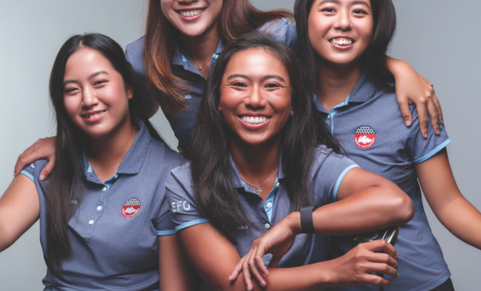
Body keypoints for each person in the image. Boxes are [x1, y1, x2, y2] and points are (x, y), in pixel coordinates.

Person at [13, 0, 442, 179]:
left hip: (289, 193)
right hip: (209, 200)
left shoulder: (279, 37)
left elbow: (337, 56)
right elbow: (118, 119)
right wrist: (69, 140)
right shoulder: (143, 61)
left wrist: (396, 66)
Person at [232, 0, 481, 291]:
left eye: (359, 11)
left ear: (376, 24)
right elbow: (228, 65)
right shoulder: (280, 104)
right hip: (329, 281)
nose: (343, 22)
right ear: (305, 20)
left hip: (418, 282)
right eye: (329, 9)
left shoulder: (406, 101)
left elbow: (448, 203)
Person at [0, 34, 192, 290]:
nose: (88, 100)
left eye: (100, 82)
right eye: (72, 90)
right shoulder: (48, 164)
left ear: (129, 87)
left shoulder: (171, 175)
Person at [166, 33, 415, 290]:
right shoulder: (186, 182)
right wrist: (335, 270)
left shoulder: (314, 163)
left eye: (272, 86)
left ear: (294, 102)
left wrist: (295, 223)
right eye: (239, 84)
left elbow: (397, 204)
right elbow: (237, 284)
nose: (255, 100)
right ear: (217, 98)